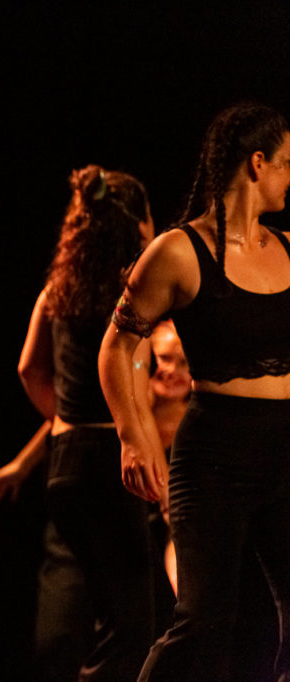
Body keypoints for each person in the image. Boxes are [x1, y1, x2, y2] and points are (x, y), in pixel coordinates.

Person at [100, 102, 290, 682]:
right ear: (257, 164)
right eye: (287, 163)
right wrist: (134, 436)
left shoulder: (288, 248)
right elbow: (117, 347)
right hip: (215, 455)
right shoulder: (180, 251)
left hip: (285, 448)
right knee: (204, 618)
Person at [17, 164, 161, 681]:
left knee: (97, 604)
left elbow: (29, 369)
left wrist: (63, 419)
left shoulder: (58, 290)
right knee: (132, 623)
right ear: (137, 225)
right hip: (115, 458)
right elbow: (137, 385)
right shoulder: (137, 291)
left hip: (66, 464)